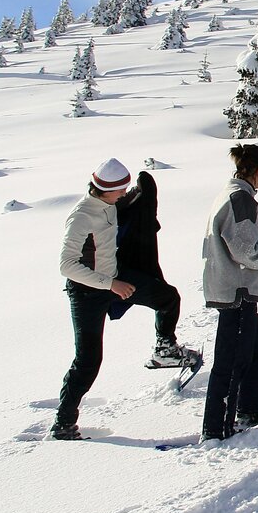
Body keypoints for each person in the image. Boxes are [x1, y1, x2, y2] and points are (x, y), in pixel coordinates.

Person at [52, 159, 192, 441]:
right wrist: (111, 284)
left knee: (167, 297)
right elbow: (67, 266)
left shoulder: (111, 204)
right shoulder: (81, 217)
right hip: (87, 292)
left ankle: (165, 349)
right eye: (121, 190)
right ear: (106, 190)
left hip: (115, 278)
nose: (124, 194)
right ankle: (63, 423)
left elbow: (130, 205)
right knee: (88, 360)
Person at [200, 144, 258, 442]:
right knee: (231, 361)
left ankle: (250, 407)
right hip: (235, 291)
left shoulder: (231, 194)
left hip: (235, 287)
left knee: (256, 348)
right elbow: (244, 249)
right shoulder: (241, 199)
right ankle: (216, 429)